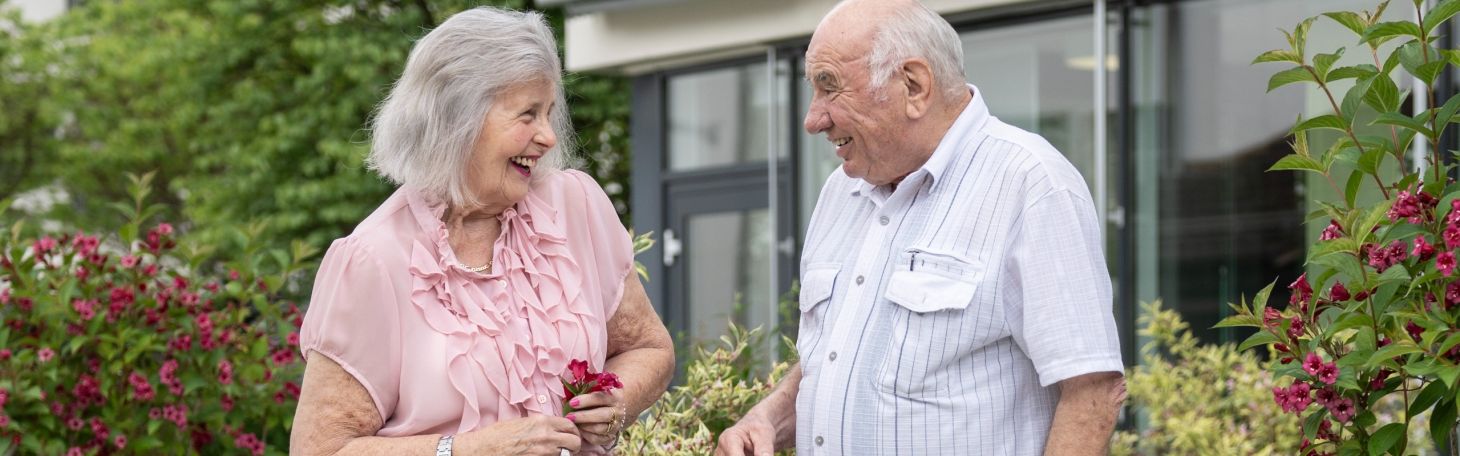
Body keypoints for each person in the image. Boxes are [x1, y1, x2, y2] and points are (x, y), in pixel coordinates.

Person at [717, 0, 1125, 454]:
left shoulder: (1030, 182)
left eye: (830, 88)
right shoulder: (841, 191)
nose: (814, 120)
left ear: (913, 85)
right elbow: (841, 357)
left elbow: (1092, 392)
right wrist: (768, 418)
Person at [289, 7, 674, 456]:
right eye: (528, 114)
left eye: (549, 112)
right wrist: (465, 450)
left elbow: (650, 347)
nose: (548, 136)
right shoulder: (372, 260)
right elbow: (321, 449)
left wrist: (616, 403)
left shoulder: (575, 208)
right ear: (458, 119)